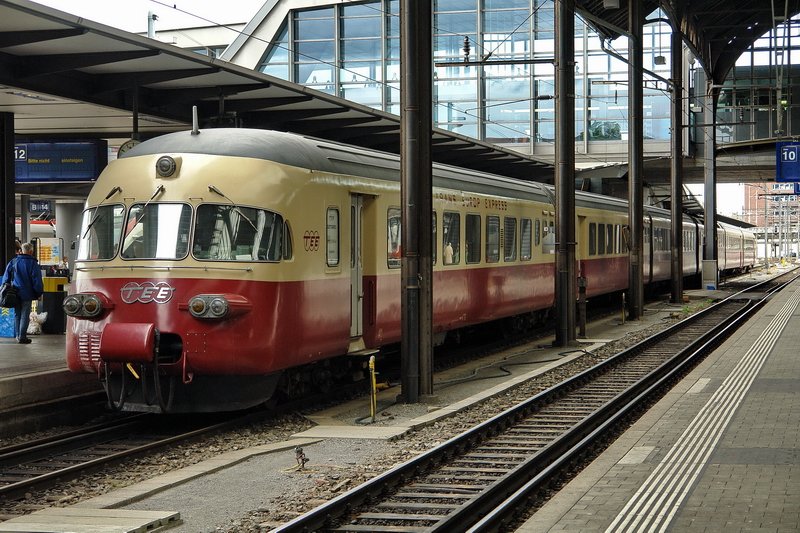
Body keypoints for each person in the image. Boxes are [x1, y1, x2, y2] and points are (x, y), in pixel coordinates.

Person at [1, 242, 44, 344]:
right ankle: (22, 337)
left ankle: (18, 336)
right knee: (25, 315)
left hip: (14, 293)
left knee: (17, 314)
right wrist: (39, 293)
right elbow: (37, 281)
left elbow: (5, 278)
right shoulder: (33, 263)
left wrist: (6, 290)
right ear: (30, 251)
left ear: (22, 250)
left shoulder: (14, 261)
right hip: (27, 294)